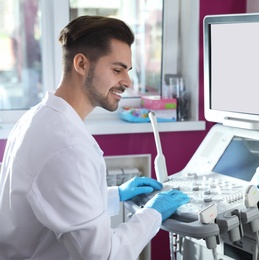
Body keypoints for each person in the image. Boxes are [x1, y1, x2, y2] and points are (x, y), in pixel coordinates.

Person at [0, 15, 190, 259]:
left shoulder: (38, 116)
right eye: (117, 69)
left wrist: (114, 195)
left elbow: (54, 201)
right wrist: (151, 214)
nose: (127, 82)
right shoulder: (67, 147)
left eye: (127, 71)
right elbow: (104, 255)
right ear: (81, 64)